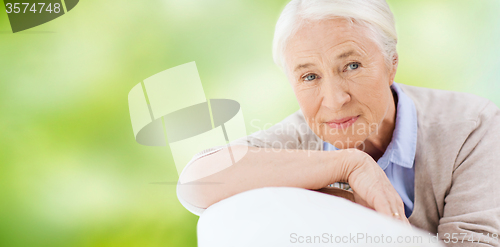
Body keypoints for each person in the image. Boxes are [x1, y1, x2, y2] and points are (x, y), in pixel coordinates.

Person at [177, 0, 500, 245]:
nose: (333, 100)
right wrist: (349, 163)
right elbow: (196, 183)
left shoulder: (472, 128)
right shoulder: (298, 136)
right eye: (309, 76)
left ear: (391, 64)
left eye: (352, 65)